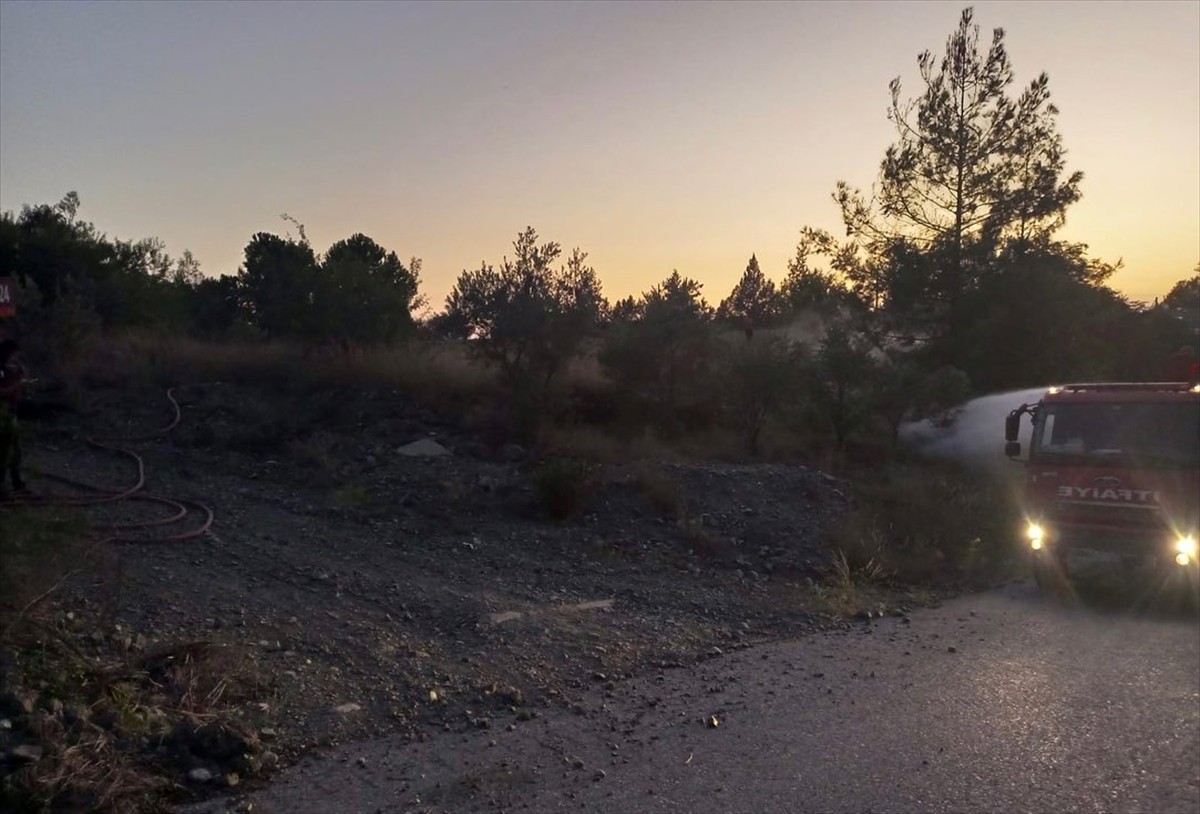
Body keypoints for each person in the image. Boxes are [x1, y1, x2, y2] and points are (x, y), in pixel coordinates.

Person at [0, 338, 29, 494]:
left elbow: (20, 392)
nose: (16, 358)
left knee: (15, 450)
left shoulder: (14, 369)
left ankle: (17, 482)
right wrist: (17, 386)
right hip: (3, 413)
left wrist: (22, 381)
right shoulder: (1, 370)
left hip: (11, 412)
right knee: (4, 450)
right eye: (14, 355)